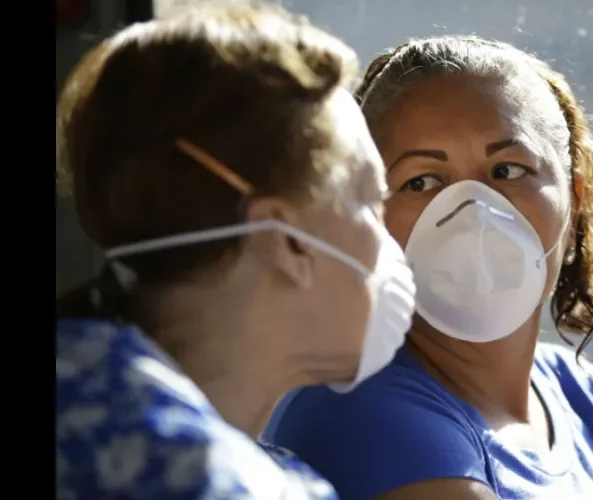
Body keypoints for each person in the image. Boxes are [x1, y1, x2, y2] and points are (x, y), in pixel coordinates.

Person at [262, 35, 593, 500]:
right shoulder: (358, 411)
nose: (473, 215)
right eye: (422, 182)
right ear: (369, 213)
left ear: (575, 204)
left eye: (507, 170)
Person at [55, 7, 415, 500]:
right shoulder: (183, 469)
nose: (387, 237)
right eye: (371, 203)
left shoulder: (91, 392)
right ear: (287, 242)